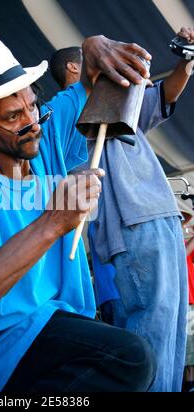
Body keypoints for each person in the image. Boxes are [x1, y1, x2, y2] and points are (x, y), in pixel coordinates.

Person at [0, 36, 156, 392]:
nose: (32, 122)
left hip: (45, 321)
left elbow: (87, 80)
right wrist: (53, 222)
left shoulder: (38, 138)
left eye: (33, 106)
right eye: (13, 116)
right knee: (129, 357)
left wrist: (93, 46)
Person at [88, 27, 193, 392]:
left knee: (172, 327)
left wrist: (187, 59)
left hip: (163, 219)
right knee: (152, 328)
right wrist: (94, 48)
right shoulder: (73, 117)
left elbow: (166, 94)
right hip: (133, 225)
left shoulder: (125, 111)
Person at [50, 46, 126, 328]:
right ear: (73, 68)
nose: (27, 117)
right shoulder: (60, 109)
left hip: (90, 264)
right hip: (73, 229)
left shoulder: (99, 105)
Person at [181, 211, 194, 392]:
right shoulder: (175, 247)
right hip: (184, 304)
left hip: (191, 302)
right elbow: (183, 254)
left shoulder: (184, 243)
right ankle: (189, 385)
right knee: (188, 350)